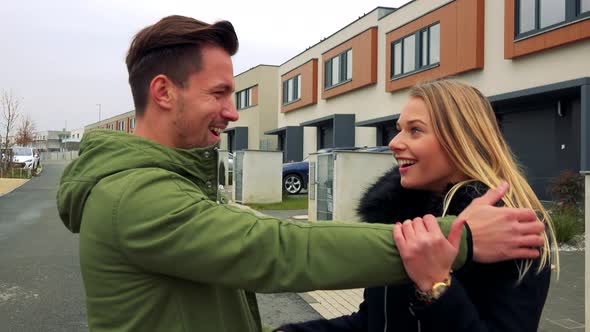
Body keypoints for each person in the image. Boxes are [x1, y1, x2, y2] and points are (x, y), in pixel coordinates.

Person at [56, 17, 546, 332]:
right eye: (220, 93)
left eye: (413, 129)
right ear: (164, 92)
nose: (233, 112)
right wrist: (454, 243)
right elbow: (278, 251)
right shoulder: (136, 196)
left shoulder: (513, 234)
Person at [277, 80, 558, 332]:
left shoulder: (510, 230)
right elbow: (374, 321)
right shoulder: (398, 218)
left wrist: (437, 287)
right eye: (399, 130)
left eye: (415, 131)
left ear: (461, 140)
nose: (394, 143)